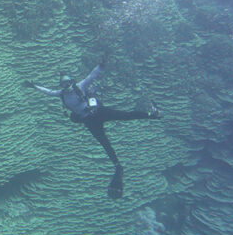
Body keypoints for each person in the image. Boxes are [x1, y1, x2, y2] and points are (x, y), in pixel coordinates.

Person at [23, 63, 160, 199]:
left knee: (124, 116)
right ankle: (117, 165)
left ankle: (151, 115)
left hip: (97, 113)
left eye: (68, 82)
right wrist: (34, 86)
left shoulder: (80, 86)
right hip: (89, 120)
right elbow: (47, 91)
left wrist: (101, 65)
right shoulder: (61, 94)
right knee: (104, 142)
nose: (66, 85)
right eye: (63, 84)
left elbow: (91, 76)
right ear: (61, 85)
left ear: (71, 81)